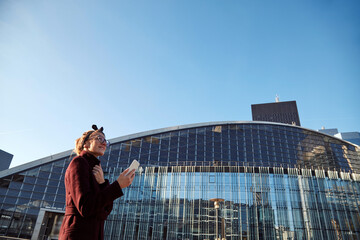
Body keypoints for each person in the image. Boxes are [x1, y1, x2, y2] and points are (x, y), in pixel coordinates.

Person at [59, 125, 135, 240]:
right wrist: (118, 185)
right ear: (86, 144)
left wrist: (103, 183)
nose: (104, 143)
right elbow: (85, 207)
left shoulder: (96, 169)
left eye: (105, 141)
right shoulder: (79, 162)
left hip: (94, 233)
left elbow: (106, 211)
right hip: (78, 233)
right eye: (99, 139)